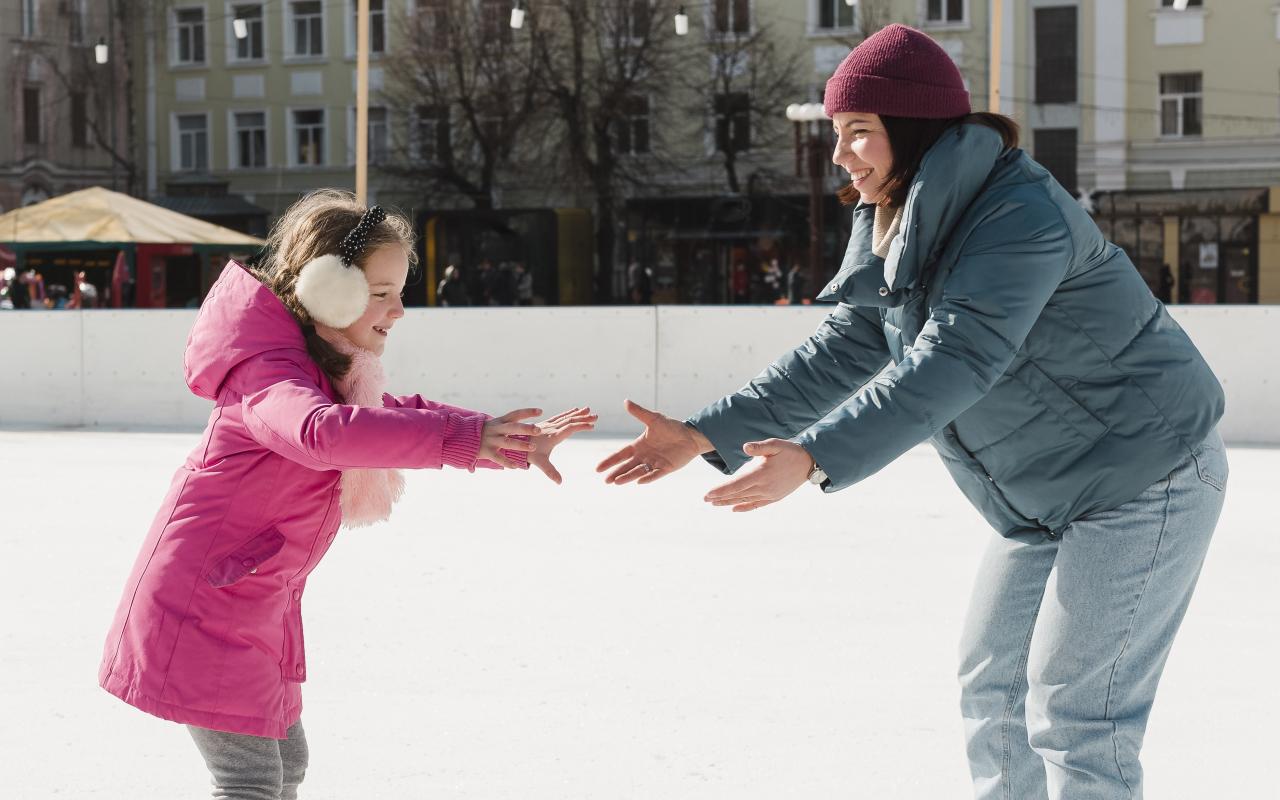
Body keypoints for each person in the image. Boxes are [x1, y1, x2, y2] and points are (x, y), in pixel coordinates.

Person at [597, 24, 1226, 800]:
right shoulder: (901, 216)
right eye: (836, 133)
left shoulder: (1017, 214)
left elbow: (957, 359)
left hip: (1143, 476)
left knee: (1079, 714)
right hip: (1042, 498)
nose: (841, 155)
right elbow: (845, 346)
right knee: (993, 692)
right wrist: (704, 433)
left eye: (859, 132)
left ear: (916, 129)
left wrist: (816, 455)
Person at [98, 190, 596, 799]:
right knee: (250, 778)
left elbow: (382, 414)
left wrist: (498, 440)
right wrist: (465, 439)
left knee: (288, 764)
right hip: (204, 606)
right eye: (381, 293)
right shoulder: (267, 375)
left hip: (251, 600)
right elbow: (322, 433)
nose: (399, 310)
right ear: (325, 288)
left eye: (399, 291)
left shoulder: (315, 369)